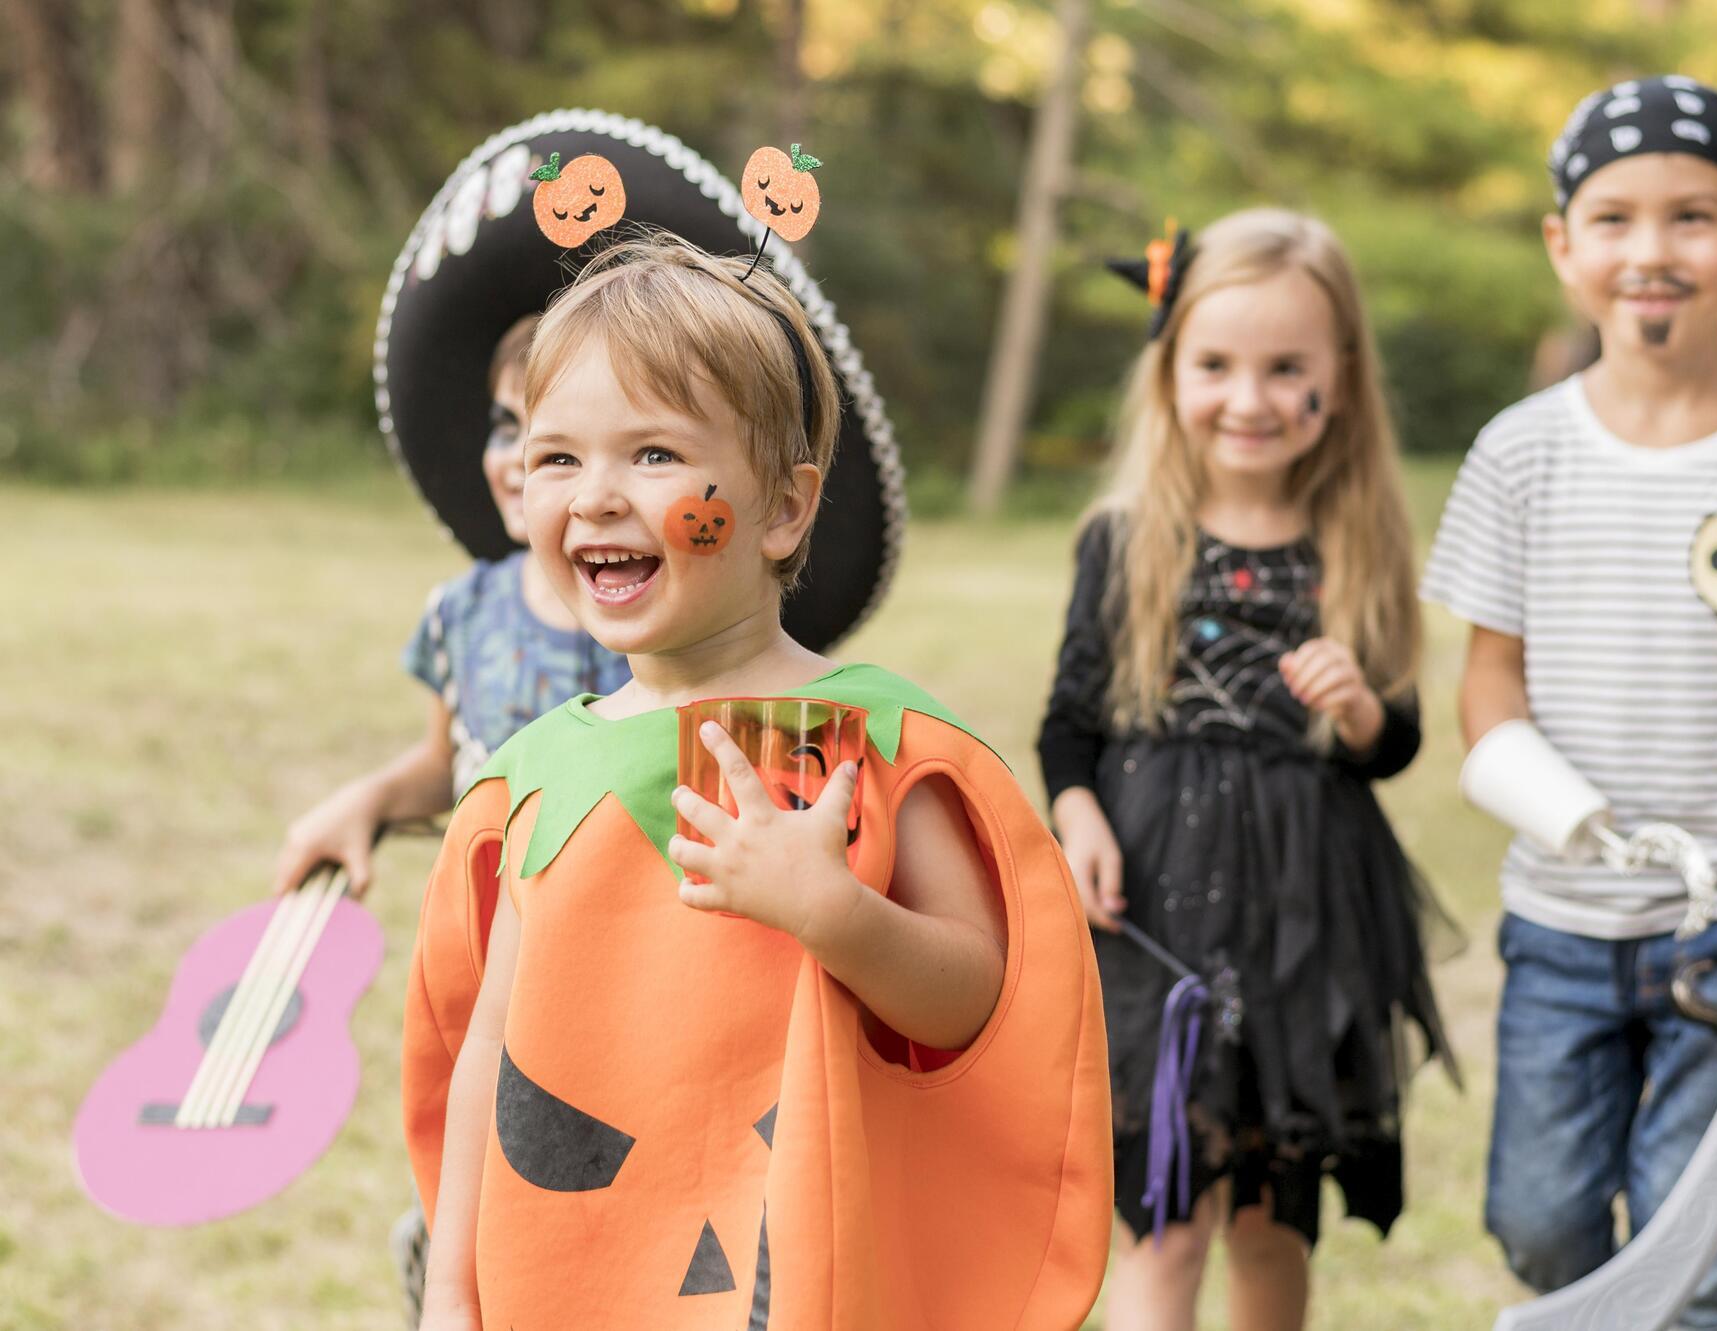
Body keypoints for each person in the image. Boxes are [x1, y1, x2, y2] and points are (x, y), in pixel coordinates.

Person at [404, 232, 1111, 1330]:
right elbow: (495, 1055)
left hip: (798, 1273)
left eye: (651, 455)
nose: (594, 497)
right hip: (584, 1278)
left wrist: (838, 916)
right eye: (556, 458)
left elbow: (977, 995)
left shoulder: (869, 738)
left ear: (782, 509)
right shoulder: (533, 778)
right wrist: (453, 1289)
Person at [1421, 76, 1717, 1330]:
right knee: (1541, 1223)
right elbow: (1487, 674)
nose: (1651, 250)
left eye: (1692, 216)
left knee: (1707, 1256)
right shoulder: (1518, 452)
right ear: (1561, 245)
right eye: (1614, 217)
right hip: (1564, 919)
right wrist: (1557, 803)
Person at [1038, 207, 1455, 1331]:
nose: (1249, 396)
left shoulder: (1355, 537)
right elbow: (1067, 724)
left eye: (1286, 368)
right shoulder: (1126, 537)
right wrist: (1075, 814)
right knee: (1163, 1215)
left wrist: (1363, 711)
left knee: (1272, 1225)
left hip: (1302, 918)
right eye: (1215, 364)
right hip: (1155, 912)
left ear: (1339, 376)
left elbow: (1396, 740)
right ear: (1169, 366)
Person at [271, 315, 630, 897]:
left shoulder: (656, 617)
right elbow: (450, 763)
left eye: (556, 443)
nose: (519, 458)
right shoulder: (462, 613)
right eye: (506, 427)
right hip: (482, 935)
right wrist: (368, 800)